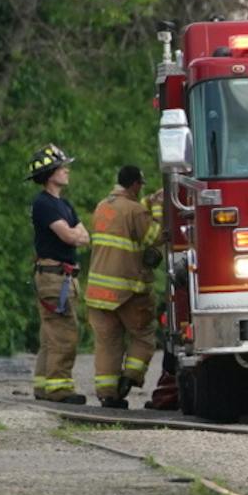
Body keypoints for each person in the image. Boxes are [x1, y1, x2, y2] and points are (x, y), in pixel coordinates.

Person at [84, 165, 161, 408]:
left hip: (98, 292)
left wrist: (146, 203)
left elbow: (126, 223)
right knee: (144, 335)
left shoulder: (102, 206)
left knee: (107, 343)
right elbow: (154, 237)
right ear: (136, 184)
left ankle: (108, 395)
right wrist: (157, 209)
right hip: (128, 292)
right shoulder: (135, 210)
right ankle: (129, 379)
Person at [26, 144, 90, 405]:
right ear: (50, 173)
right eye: (62, 167)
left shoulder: (63, 204)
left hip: (62, 278)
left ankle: (44, 385)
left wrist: (76, 235)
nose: (67, 170)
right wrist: (74, 235)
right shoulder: (43, 204)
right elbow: (69, 235)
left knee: (50, 335)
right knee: (64, 334)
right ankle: (60, 388)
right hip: (54, 277)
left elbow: (85, 236)